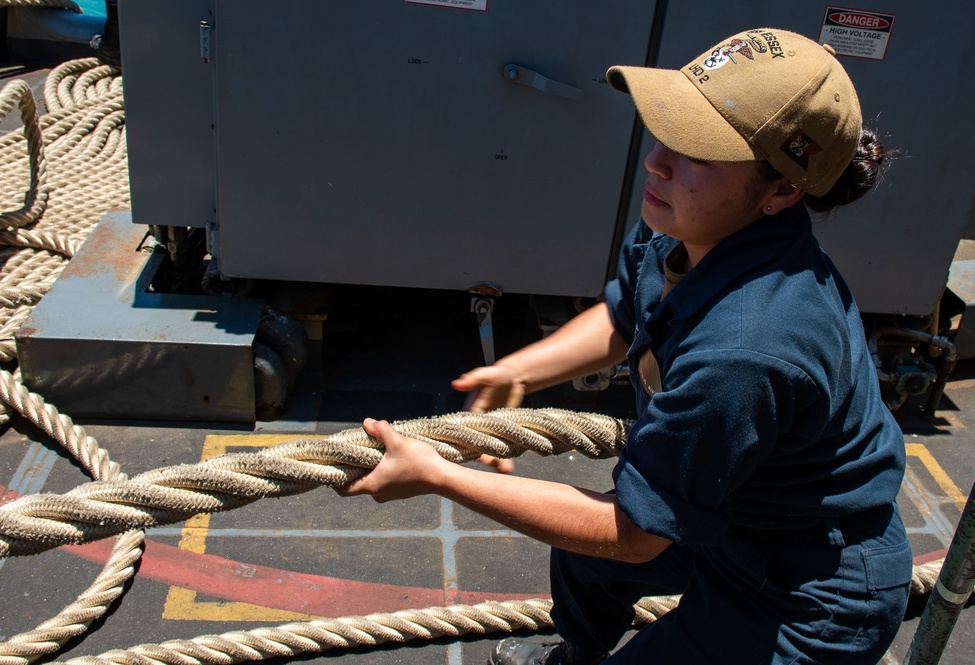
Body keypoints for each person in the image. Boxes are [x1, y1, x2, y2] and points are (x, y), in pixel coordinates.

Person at [339, 27, 912, 664]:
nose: (658, 163)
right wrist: (521, 369)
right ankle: (577, 655)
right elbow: (624, 316)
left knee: (603, 535)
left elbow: (634, 533)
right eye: (668, 132)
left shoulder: (749, 345)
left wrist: (440, 476)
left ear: (782, 191)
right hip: (733, 522)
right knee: (584, 556)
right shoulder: (687, 226)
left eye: (699, 152)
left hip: (808, 590)